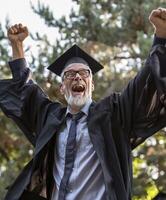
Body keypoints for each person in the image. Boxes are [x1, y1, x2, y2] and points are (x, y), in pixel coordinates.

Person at [0, 7, 166, 200]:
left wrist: (161, 37)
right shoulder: (50, 119)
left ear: (91, 85)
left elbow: (144, 86)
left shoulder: (113, 115)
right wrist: (17, 46)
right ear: (62, 88)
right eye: (70, 74)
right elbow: (25, 92)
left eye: (84, 73)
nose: (77, 77)